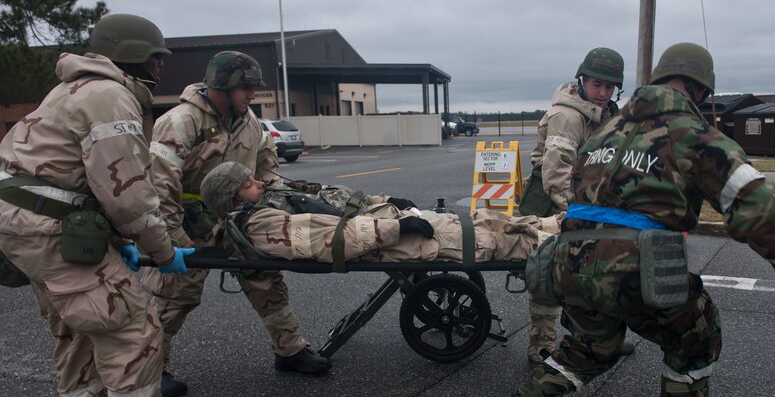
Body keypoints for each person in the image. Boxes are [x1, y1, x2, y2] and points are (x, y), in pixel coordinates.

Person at [488, 42, 775, 397]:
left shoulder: (605, 131)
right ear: (701, 91)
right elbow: (757, 208)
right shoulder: (694, 135)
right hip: (631, 263)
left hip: (568, 259)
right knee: (698, 335)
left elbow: (571, 189)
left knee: (591, 347)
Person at [0, 14, 215, 397]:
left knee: (78, 329)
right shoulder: (110, 97)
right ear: (135, 56)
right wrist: (163, 253)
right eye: (156, 58)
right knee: (132, 328)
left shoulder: (70, 91)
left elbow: (80, 181)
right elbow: (128, 196)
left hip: (27, 225)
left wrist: (118, 245)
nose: (161, 67)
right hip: (51, 229)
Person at [142, 51, 329, 397]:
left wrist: (271, 201)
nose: (253, 95)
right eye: (246, 88)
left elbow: (266, 161)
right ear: (223, 86)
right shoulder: (180, 122)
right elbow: (159, 187)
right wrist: (177, 241)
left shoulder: (249, 121)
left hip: (239, 222)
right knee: (174, 296)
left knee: (267, 282)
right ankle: (150, 370)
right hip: (190, 225)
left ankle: (289, 350)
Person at [198, 161, 563, 264]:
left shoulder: (272, 201)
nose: (258, 184)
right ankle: (562, 245)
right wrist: (399, 229)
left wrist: (390, 203)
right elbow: (333, 240)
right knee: (485, 241)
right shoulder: (261, 225)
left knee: (474, 219)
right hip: (389, 241)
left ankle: (554, 224)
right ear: (233, 201)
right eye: (247, 185)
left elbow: (340, 202)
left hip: (386, 223)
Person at [526, 48, 633, 365]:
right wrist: (584, 214)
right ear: (582, 81)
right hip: (553, 202)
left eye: (609, 86)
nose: (603, 92)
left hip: (586, 199)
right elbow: (556, 175)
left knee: (595, 273)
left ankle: (597, 340)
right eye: (597, 84)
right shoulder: (569, 117)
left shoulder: (604, 114)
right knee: (547, 275)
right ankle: (542, 346)